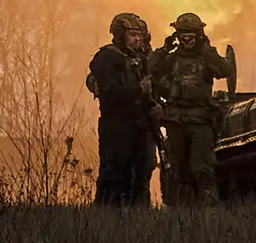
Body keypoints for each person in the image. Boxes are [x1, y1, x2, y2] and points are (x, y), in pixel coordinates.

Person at [148, 13, 235, 203]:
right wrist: (163, 49)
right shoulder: (170, 59)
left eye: (190, 34)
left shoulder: (206, 57)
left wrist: (207, 49)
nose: (186, 39)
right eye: (182, 34)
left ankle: (209, 213)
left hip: (201, 121)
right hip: (175, 120)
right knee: (179, 171)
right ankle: (184, 214)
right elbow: (149, 68)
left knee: (202, 169)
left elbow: (225, 70)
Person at [88, 13, 156, 206]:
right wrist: (138, 90)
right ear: (120, 34)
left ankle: (139, 218)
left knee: (142, 173)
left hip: (140, 123)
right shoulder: (108, 57)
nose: (137, 39)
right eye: (133, 34)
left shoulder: (140, 59)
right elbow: (109, 92)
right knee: (115, 173)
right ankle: (108, 218)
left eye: (140, 34)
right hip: (117, 124)